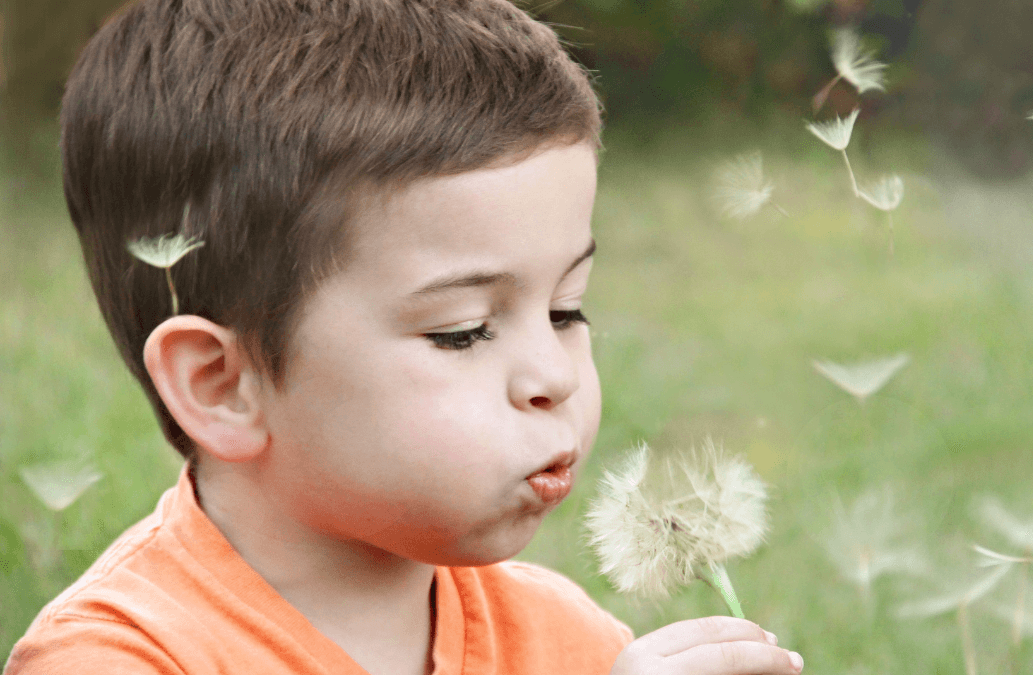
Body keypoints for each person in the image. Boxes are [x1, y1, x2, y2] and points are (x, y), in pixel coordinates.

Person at [4, 1, 805, 674]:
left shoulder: (570, 641)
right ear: (223, 385)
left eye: (566, 309)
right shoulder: (116, 657)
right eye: (463, 332)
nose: (554, 375)